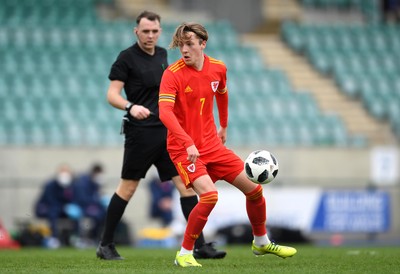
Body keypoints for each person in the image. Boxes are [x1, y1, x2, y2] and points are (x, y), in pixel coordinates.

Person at [158, 22, 297, 267]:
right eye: (181, 45)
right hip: (184, 150)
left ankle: (261, 242)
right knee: (210, 196)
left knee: (254, 191)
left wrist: (224, 125)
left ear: (203, 44)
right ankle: (184, 253)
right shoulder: (173, 73)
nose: (184, 50)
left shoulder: (218, 68)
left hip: (213, 146)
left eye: (189, 44)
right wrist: (188, 142)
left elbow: (221, 92)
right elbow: (164, 113)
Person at [96, 11, 226, 260]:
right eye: (145, 31)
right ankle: (105, 245)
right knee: (128, 187)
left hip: (169, 134)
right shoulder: (126, 58)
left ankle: (199, 245)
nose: (150, 35)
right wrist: (130, 106)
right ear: (137, 31)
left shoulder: (165, 56)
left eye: (155, 31)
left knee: (186, 187)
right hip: (141, 133)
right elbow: (111, 94)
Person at [35, 163, 77, 248]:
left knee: (76, 214)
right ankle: (53, 238)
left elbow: (74, 199)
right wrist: (63, 207)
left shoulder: (72, 185)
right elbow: (50, 200)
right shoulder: (50, 185)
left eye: (67, 172)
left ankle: (75, 237)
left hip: (63, 210)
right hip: (49, 208)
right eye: (63, 171)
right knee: (53, 212)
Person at [72, 163, 107, 244]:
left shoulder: (94, 183)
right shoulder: (83, 183)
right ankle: (92, 238)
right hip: (82, 206)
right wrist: (97, 200)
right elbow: (83, 198)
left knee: (105, 214)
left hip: (91, 206)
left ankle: (97, 238)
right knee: (97, 216)